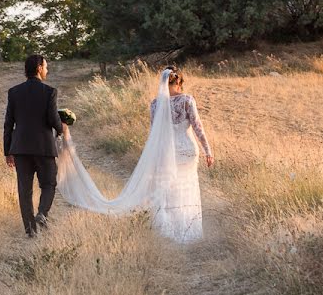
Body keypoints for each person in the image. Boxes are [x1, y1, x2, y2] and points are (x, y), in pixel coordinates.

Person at [56, 66, 212, 243]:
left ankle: (168, 231)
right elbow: (198, 128)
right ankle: (187, 230)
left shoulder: (155, 104)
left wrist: (152, 156)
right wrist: (208, 151)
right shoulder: (187, 100)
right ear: (180, 82)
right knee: (186, 187)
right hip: (186, 150)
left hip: (165, 152)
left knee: (166, 189)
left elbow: (154, 134)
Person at [3, 54, 64, 238]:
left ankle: (31, 231)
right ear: (39, 68)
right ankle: (42, 214)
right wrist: (62, 128)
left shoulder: (14, 92)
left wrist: (8, 151)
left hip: (20, 149)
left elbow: (8, 124)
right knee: (49, 183)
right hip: (44, 148)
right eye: (45, 67)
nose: (47, 70)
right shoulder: (49, 92)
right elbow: (53, 120)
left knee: (25, 190)